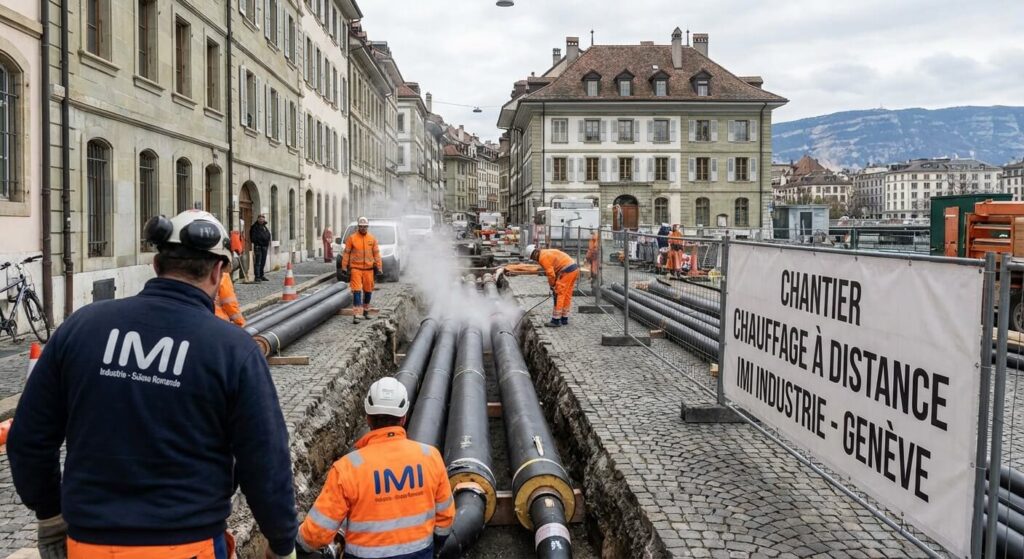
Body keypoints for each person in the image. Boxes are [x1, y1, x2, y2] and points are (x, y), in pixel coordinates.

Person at [7, 209, 297, 559]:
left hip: (90, 545)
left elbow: (28, 437)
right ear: (219, 272)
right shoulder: (233, 349)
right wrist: (281, 544)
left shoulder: (81, 327)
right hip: (189, 545)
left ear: (157, 264)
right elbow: (265, 460)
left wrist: (50, 515)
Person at [295, 377, 454, 559]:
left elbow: (315, 534)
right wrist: (434, 547)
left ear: (368, 418)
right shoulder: (430, 457)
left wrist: (296, 545)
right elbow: (445, 518)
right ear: (403, 417)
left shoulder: (347, 468)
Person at [526, 244, 579, 328]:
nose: (534, 260)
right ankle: (564, 318)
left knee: (559, 295)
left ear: (534, 254)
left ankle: (556, 320)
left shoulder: (542, 258)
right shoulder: (545, 252)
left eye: (533, 257)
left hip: (566, 271)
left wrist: (553, 285)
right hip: (574, 269)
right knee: (567, 295)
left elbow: (551, 274)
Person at [341, 217, 382, 324]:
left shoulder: (372, 239)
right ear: (358, 227)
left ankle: (366, 310)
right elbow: (346, 253)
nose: (363, 228)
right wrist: (344, 267)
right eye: (361, 226)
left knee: (368, 291)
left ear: (367, 227)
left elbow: (376, 254)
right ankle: (357, 314)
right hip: (356, 269)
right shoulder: (352, 238)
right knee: (357, 291)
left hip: (369, 270)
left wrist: (379, 267)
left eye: (365, 227)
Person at [250, 214, 272, 282]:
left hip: (265, 247)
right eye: (260, 219)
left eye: (262, 219)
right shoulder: (254, 227)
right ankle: (257, 276)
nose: (261, 220)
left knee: (263, 262)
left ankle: (261, 275)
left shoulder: (264, 227)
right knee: (258, 262)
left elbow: (268, 235)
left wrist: (267, 242)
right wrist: (260, 242)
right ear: (258, 219)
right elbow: (253, 237)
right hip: (258, 247)